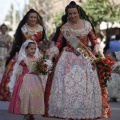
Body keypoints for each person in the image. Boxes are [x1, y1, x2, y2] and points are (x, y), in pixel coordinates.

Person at [44, 1, 110, 120]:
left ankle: (84, 111)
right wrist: (50, 58)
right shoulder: (64, 28)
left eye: (74, 13)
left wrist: (101, 56)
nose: (73, 16)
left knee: (85, 86)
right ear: (67, 15)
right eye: (70, 14)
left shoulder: (87, 25)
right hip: (67, 58)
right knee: (67, 85)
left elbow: (95, 41)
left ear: (78, 12)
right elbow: (58, 44)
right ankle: (67, 111)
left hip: (85, 58)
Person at [0, 9, 46, 101]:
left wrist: (43, 47)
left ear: (37, 18)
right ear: (27, 18)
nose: (33, 19)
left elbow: (42, 41)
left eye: (35, 17)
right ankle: (18, 94)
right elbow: (18, 41)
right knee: (19, 73)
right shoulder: (23, 28)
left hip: (36, 53)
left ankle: (35, 96)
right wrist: (16, 52)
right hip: (23, 54)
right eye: (31, 17)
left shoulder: (41, 28)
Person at [8, 40, 44, 120]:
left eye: (35, 49)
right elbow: (19, 72)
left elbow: (40, 71)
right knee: (26, 95)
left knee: (34, 96)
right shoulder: (24, 60)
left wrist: (44, 69)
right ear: (26, 49)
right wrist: (17, 83)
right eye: (31, 49)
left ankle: (31, 113)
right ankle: (26, 113)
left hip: (35, 80)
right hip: (25, 80)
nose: (33, 50)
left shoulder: (38, 60)